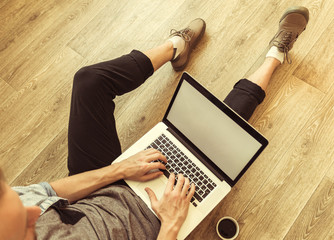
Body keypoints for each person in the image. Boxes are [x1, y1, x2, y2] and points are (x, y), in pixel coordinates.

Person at [0, 6, 309, 240]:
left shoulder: (10, 206)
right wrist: (171, 224)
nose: (37, 212)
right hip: (152, 220)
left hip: (99, 189)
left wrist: (118, 170)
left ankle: (176, 45)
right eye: (26, 225)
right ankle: (276, 54)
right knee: (219, 137)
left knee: (89, 81)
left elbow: (50, 191)